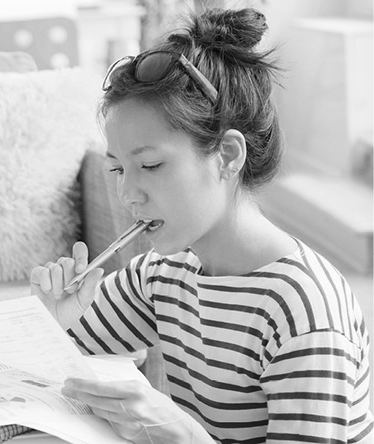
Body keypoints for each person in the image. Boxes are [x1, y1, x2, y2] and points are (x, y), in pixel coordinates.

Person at [30, 7, 372, 444]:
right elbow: (60, 371)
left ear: (228, 156)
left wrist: (180, 434)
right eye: (117, 170)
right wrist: (59, 324)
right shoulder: (162, 274)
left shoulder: (304, 312)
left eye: (150, 165)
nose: (127, 194)